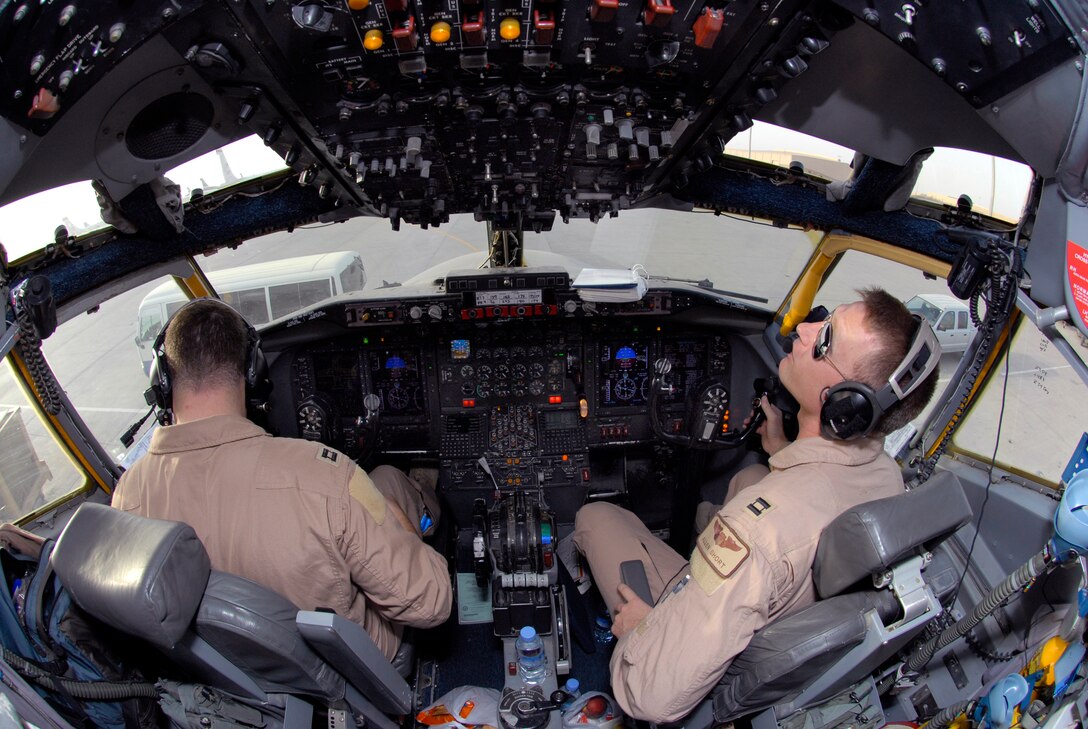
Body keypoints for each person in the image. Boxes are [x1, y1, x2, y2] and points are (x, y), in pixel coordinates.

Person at [572, 288, 940, 722]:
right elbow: (810, 496)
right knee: (749, 476)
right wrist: (784, 449)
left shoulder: (754, 532)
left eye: (824, 339)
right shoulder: (886, 475)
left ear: (847, 405)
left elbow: (647, 697)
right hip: (779, 605)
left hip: (702, 643)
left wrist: (640, 630)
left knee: (594, 516)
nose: (801, 329)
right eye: (821, 319)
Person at [112, 298, 451, 660]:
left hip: (230, 679)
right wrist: (398, 523)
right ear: (253, 371)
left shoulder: (129, 494)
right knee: (386, 481)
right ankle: (425, 498)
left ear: (162, 380)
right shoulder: (326, 476)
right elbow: (431, 603)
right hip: (349, 668)